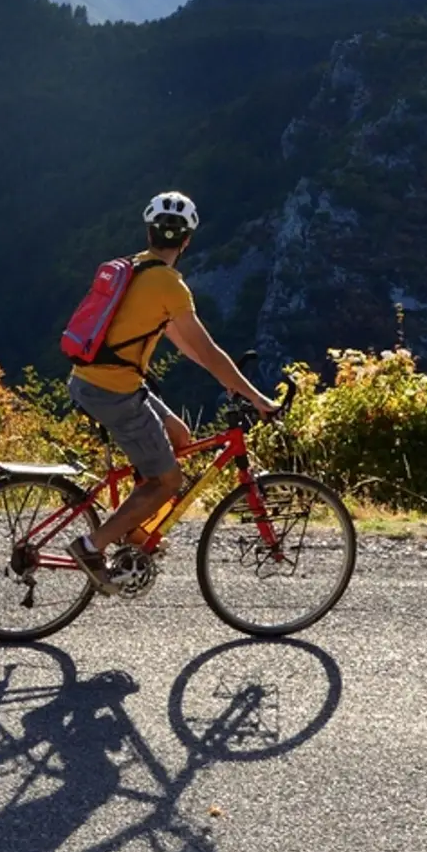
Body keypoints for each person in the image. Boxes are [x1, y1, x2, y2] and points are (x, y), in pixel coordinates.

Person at [66, 191, 279, 594]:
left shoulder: (135, 268)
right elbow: (208, 349)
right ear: (187, 241)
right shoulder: (170, 285)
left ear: (149, 233)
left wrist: (227, 381)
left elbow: (186, 345)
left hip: (96, 378)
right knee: (168, 481)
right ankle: (92, 546)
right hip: (113, 389)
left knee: (179, 435)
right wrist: (256, 398)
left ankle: (134, 533)